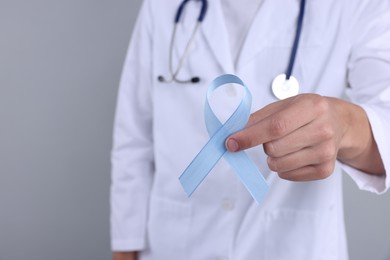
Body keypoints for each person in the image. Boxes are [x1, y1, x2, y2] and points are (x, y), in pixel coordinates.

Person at [110, 0, 390, 259]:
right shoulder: (162, 6)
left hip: (293, 244)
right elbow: (133, 139)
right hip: (175, 243)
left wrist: (345, 125)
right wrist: (125, 244)